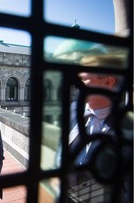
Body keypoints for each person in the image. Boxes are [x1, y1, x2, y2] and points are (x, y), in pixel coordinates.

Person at [52, 55, 132, 203]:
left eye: (83, 79)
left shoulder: (127, 128)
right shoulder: (73, 108)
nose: (77, 85)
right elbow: (62, 145)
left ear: (107, 82)